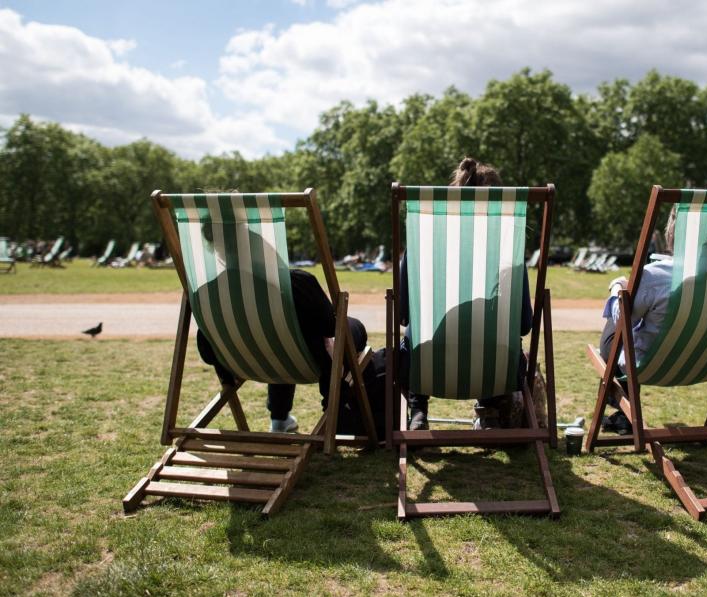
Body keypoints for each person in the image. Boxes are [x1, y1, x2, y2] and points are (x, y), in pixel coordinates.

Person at [193, 221, 369, 433]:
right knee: (352, 328)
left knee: (278, 338)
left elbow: (207, 352)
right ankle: (339, 413)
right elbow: (331, 327)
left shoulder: (208, 294)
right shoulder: (295, 283)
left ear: (219, 251)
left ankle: (279, 418)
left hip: (245, 364)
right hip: (302, 361)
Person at [399, 157, 533, 431]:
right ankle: (490, 411)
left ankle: (417, 411)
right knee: (495, 339)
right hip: (496, 369)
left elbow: (402, 315)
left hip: (426, 367)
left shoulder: (422, 246)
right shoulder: (509, 253)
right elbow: (525, 324)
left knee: (413, 340)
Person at [597, 207, 676, 435]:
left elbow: (623, 320)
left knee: (618, 322)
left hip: (651, 365)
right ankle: (622, 412)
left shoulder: (657, 276)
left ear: (670, 232)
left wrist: (617, 290)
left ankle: (623, 409)